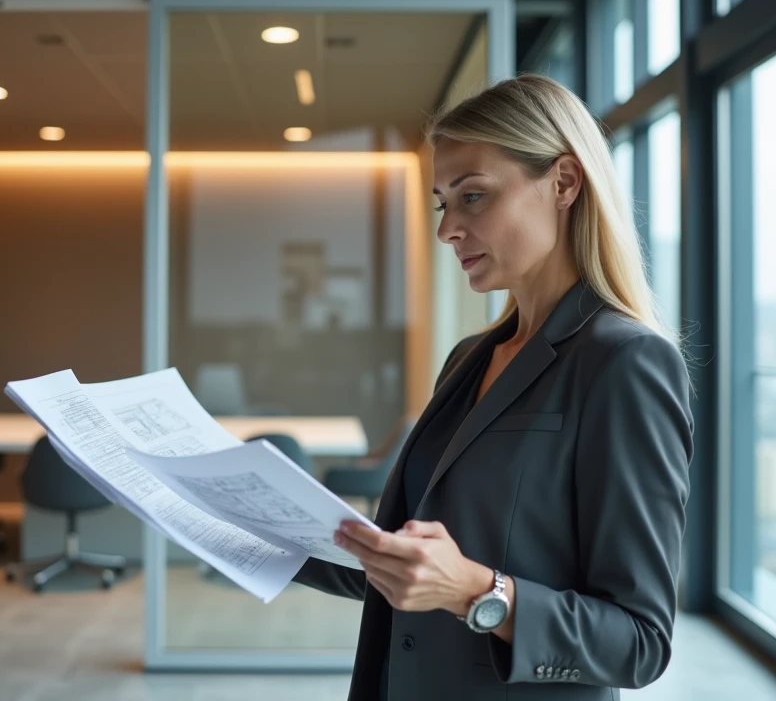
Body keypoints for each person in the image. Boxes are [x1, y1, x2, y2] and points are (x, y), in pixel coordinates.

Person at [294, 74, 694, 700]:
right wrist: (241, 526)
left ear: (564, 182)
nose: (447, 228)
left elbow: (638, 643)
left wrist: (479, 593)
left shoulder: (625, 363)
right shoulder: (468, 359)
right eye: (441, 203)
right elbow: (408, 561)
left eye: (472, 196)